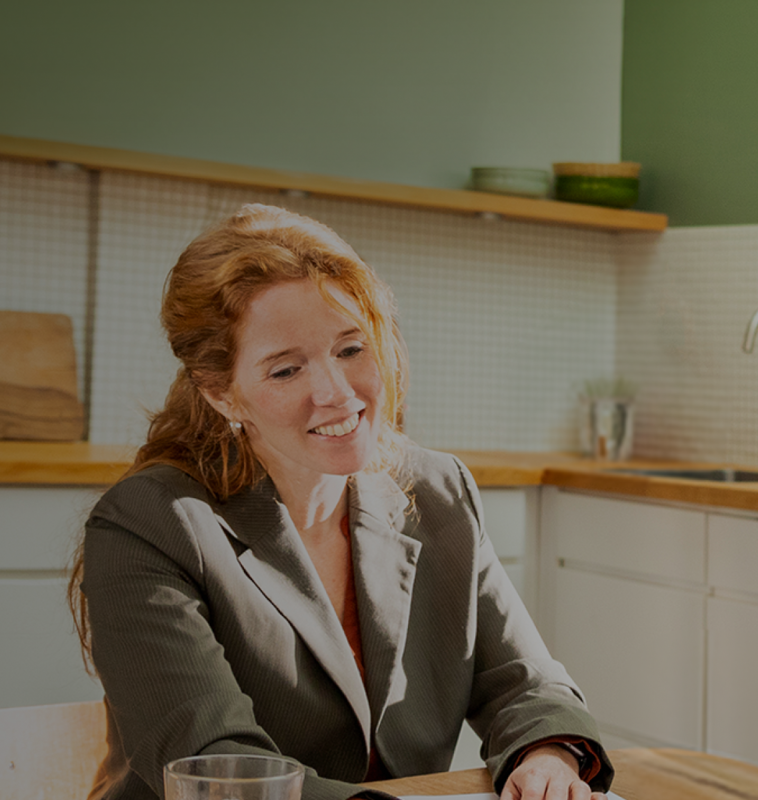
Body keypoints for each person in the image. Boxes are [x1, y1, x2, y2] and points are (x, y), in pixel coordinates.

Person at [69, 204, 610, 800]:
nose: (336, 393)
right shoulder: (148, 522)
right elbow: (220, 771)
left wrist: (547, 756)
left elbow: (523, 684)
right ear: (222, 394)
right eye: (286, 370)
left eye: (351, 349)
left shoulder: (437, 490)